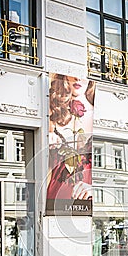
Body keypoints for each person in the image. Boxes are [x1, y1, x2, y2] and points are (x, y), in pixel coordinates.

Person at [46, 74, 96, 202]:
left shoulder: (97, 117)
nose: (78, 79)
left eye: (84, 76)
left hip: (85, 196)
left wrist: (95, 188)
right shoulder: (53, 113)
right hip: (57, 194)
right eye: (74, 74)